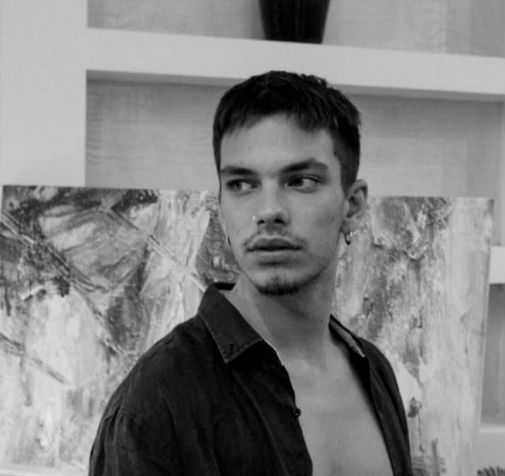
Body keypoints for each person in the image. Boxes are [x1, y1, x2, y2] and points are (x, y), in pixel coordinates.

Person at [89, 70, 413, 475]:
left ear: (353, 206)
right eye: (242, 184)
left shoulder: (374, 371)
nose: (268, 211)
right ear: (221, 205)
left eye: (300, 181)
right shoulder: (158, 402)